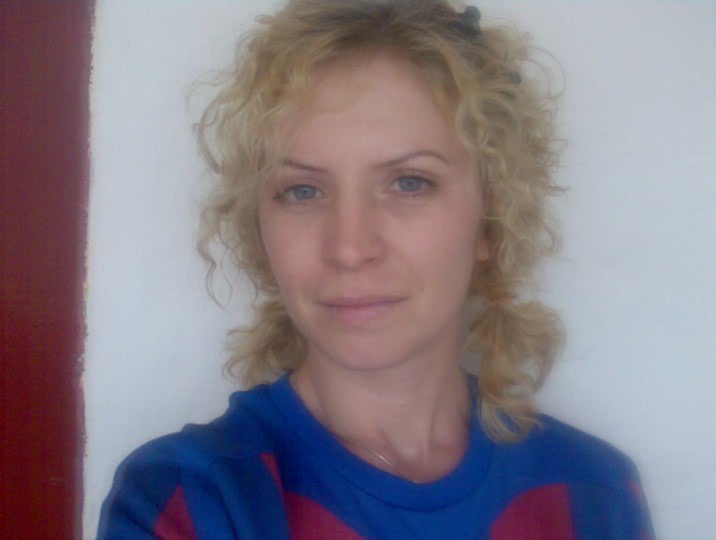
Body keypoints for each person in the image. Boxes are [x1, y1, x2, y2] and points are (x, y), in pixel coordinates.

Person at [98, 1, 654, 538]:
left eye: (409, 183)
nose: (349, 247)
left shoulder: (590, 493)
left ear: (490, 219)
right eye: (303, 190)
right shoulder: (191, 499)